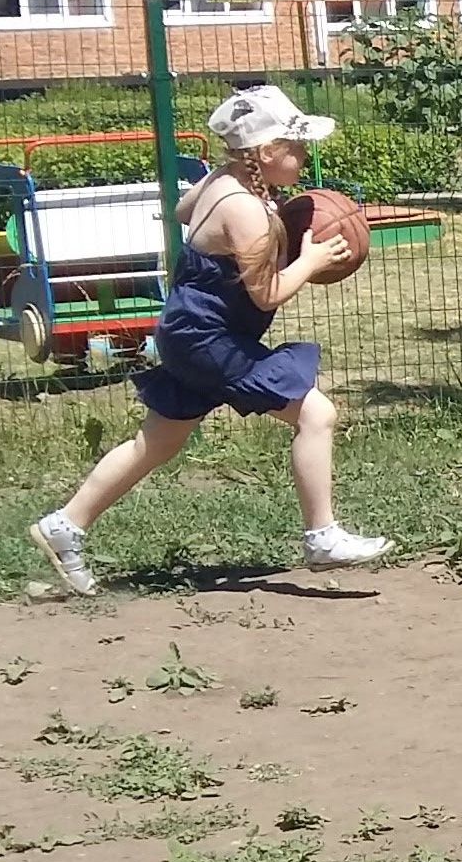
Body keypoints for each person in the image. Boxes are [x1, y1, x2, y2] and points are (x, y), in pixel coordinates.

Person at [29, 86, 387, 596]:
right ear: (264, 153)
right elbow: (266, 296)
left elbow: (181, 210)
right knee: (316, 414)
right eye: (296, 145)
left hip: (188, 331)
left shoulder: (222, 182)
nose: (305, 154)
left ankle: (63, 526)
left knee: (156, 443)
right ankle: (322, 536)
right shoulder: (243, 209)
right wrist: (308, 262)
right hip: (207, 338)